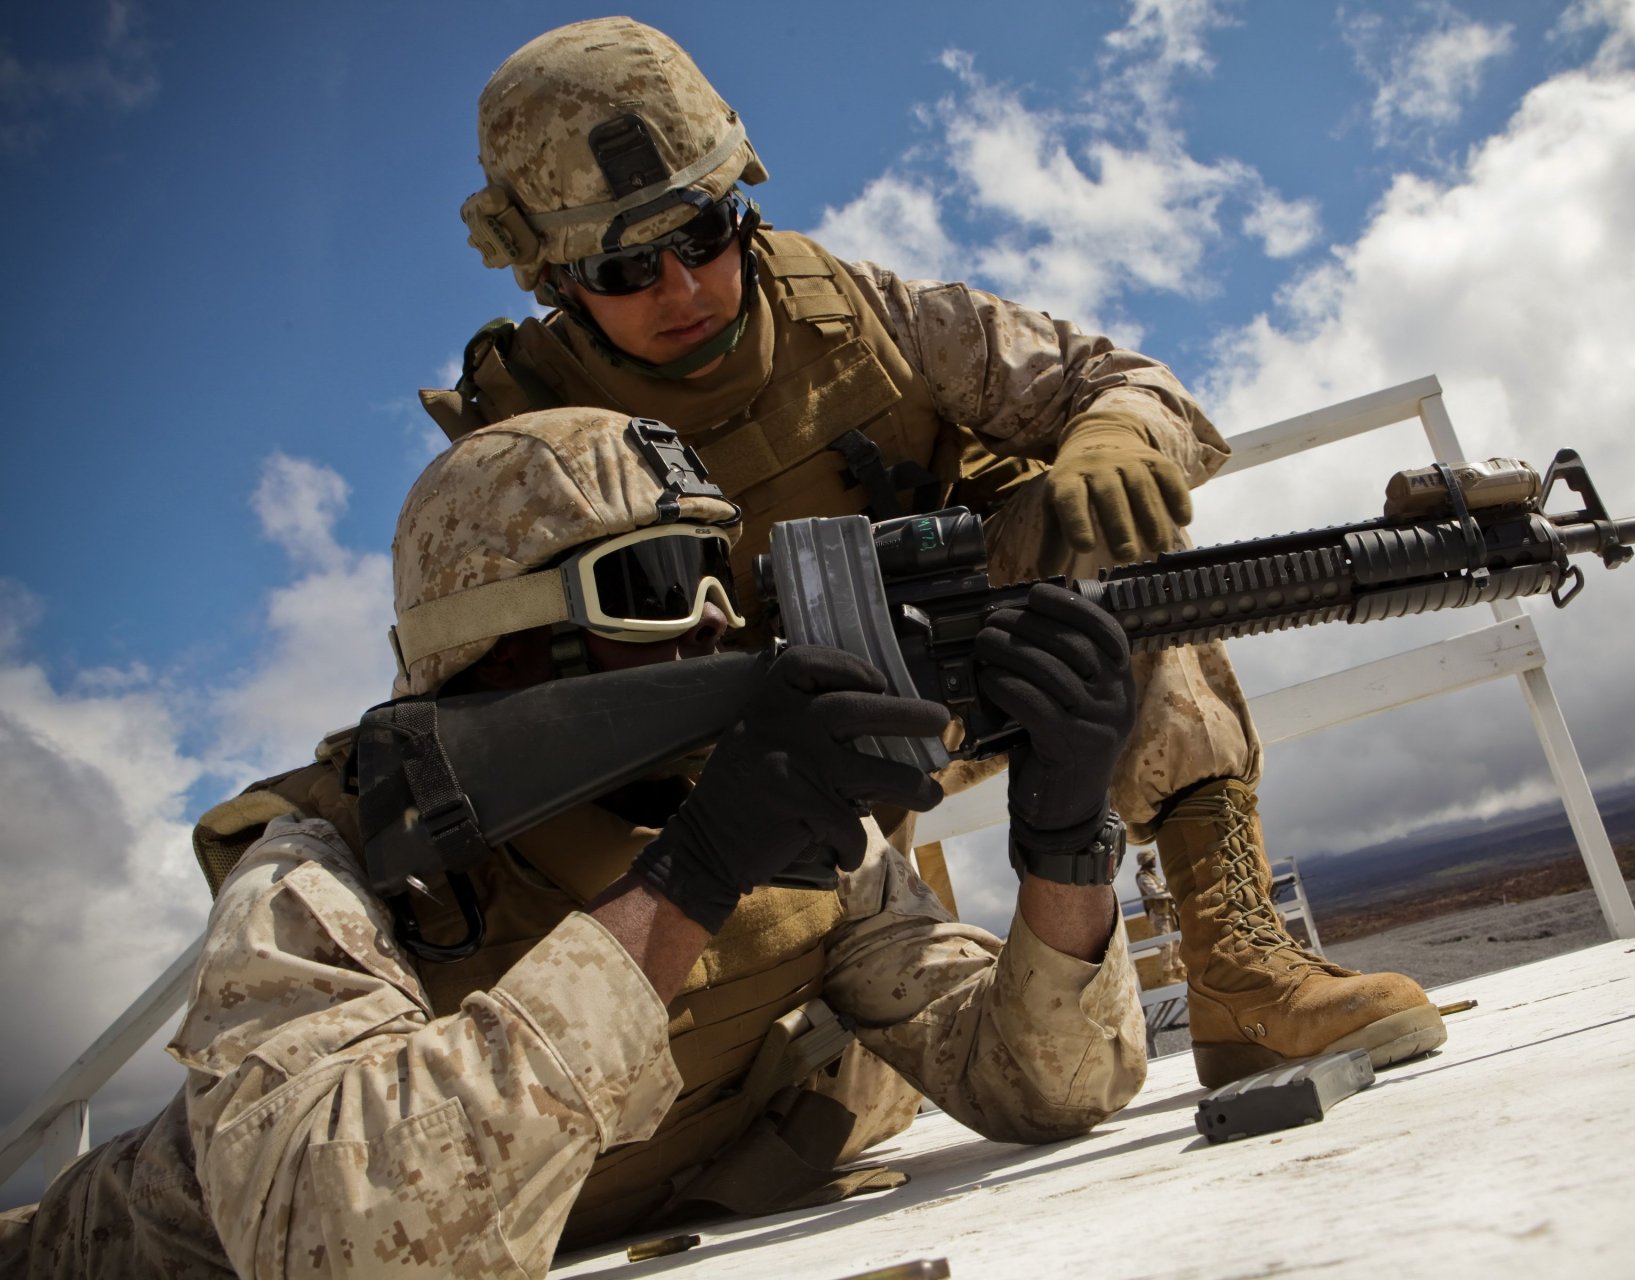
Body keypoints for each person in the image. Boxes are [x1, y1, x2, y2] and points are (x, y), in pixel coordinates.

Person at [427, 17, 1445, 1086]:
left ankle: (1239, 967)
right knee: (831, 1082)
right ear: (551, 275)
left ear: (742, 202)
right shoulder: (520, 444)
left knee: (1101, 543)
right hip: (733, 795)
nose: (682, 288)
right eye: (626, 264)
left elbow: (1117, 378)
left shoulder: (857, 312)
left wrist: (1116, 436)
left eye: (704, 231)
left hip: (967, 670)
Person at [0, 407, 1149, 1278]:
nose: (712, 619)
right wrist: (691, 874)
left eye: (715, 576)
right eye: (653, 582)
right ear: (496, 639)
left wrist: (1063, 836)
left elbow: (1053, 1085)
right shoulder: (326, 871)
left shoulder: (794, 829)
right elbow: (338, 1243)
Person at [1133, 846, 1187, 986]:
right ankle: (1168, 975)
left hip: (1167, 911)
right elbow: (1155, 893)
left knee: (1176, 941)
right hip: (1158, 914)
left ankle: (1179, 970)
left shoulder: (1152, 875)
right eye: (1152, 859)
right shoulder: (1143, 877)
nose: (1155, 861)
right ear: (1147, 860)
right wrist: (1171, 894)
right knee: (1166, 944)